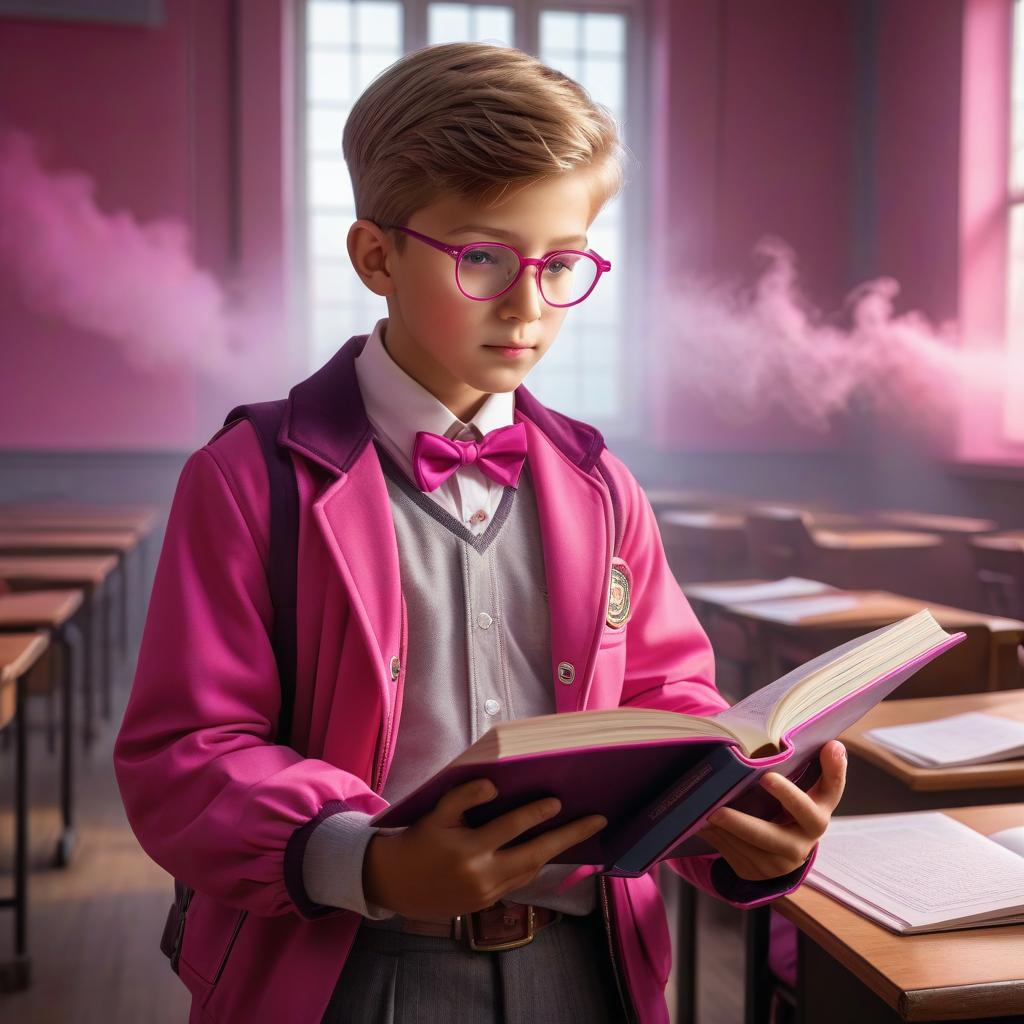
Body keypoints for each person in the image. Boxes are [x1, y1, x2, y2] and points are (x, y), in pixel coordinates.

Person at [113, 41, 846, 1024]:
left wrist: (733, 823)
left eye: (562, 264)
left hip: (592, 968)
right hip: (355, 968)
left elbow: (669, 700)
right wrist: (368, 857)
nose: (528, 306)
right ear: (377, 255)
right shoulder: (249, 480)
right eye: (484, 258)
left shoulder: (602, 485)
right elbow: (187, 752)